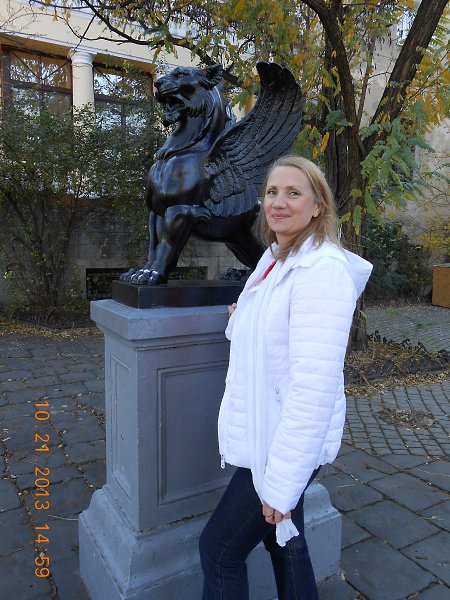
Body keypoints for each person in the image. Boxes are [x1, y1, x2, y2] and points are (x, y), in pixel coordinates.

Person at [199, 155, 372, 600]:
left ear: (317, 206)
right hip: (269, 433)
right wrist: (242, 316)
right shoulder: (278, 258)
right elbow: (272, 335)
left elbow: (313, 390)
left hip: (284, 443)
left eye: (294, 193)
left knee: (218, 551)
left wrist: (281, 485)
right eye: (272, 192)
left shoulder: (321, 272)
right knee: (284, 544)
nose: (278, 202)